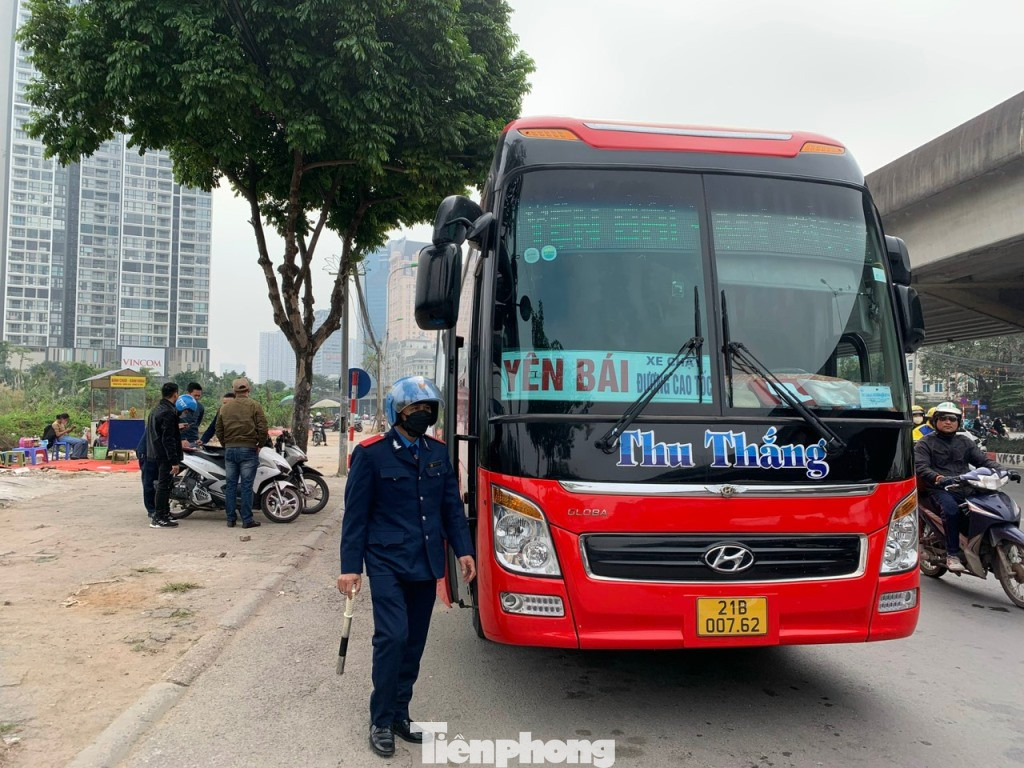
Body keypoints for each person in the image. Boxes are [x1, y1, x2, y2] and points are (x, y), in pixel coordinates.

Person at [337, 375, 475, 758]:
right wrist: (351, 567)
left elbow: (450, 507)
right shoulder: (371, 453)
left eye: (428, 409)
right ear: (397, 412)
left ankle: (400, 712)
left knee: (413, 642)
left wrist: (464, 551)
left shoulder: (436, 452)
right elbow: (356, 517)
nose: (423, 415)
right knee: (392, 637)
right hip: (385, 562)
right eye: (415, 409)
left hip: (426, 561)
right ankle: (380, 719)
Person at [915, 401, 1006, 572]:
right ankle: (952, 554)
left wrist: (1003, 470)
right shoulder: (925, 443)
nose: (948, 422)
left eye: (952, 419)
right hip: (940, 488)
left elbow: (983, 461)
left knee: (992, 503)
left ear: (958, 422)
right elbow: (921, 467)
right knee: (951, 511)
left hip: (965, 485)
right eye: (943, 418)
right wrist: (938, 477)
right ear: (935, 421)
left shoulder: (964, 441)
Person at [214, 377, 269, 529]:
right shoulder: (254, 405)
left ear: (234, 391)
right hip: (249, 449)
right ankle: (247, 520)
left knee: (230, 485)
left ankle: (230, 519)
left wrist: (226, 444)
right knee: (246, 486)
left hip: (230, 450)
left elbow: (218, 429)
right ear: (248, 390)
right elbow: (263, 427)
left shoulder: (224, 408)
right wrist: (259, 444)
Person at [146, 383, 184, 529]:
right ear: (175, 394)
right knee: (163, 485)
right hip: (164, 454)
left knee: (165, 485)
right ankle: (159, 517)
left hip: (156, 452)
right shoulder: (168, 412)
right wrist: (174, 461)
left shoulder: (156, 409)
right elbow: (168, 438)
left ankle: (164, 513)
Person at [179, 382, 205, 448]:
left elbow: (197, 423)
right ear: (188, 393)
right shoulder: (178, 404)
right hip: (179, 441)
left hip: (193, 441)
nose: (197, 398)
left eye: (199, 396)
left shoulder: (200, 408)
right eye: (195, 395)